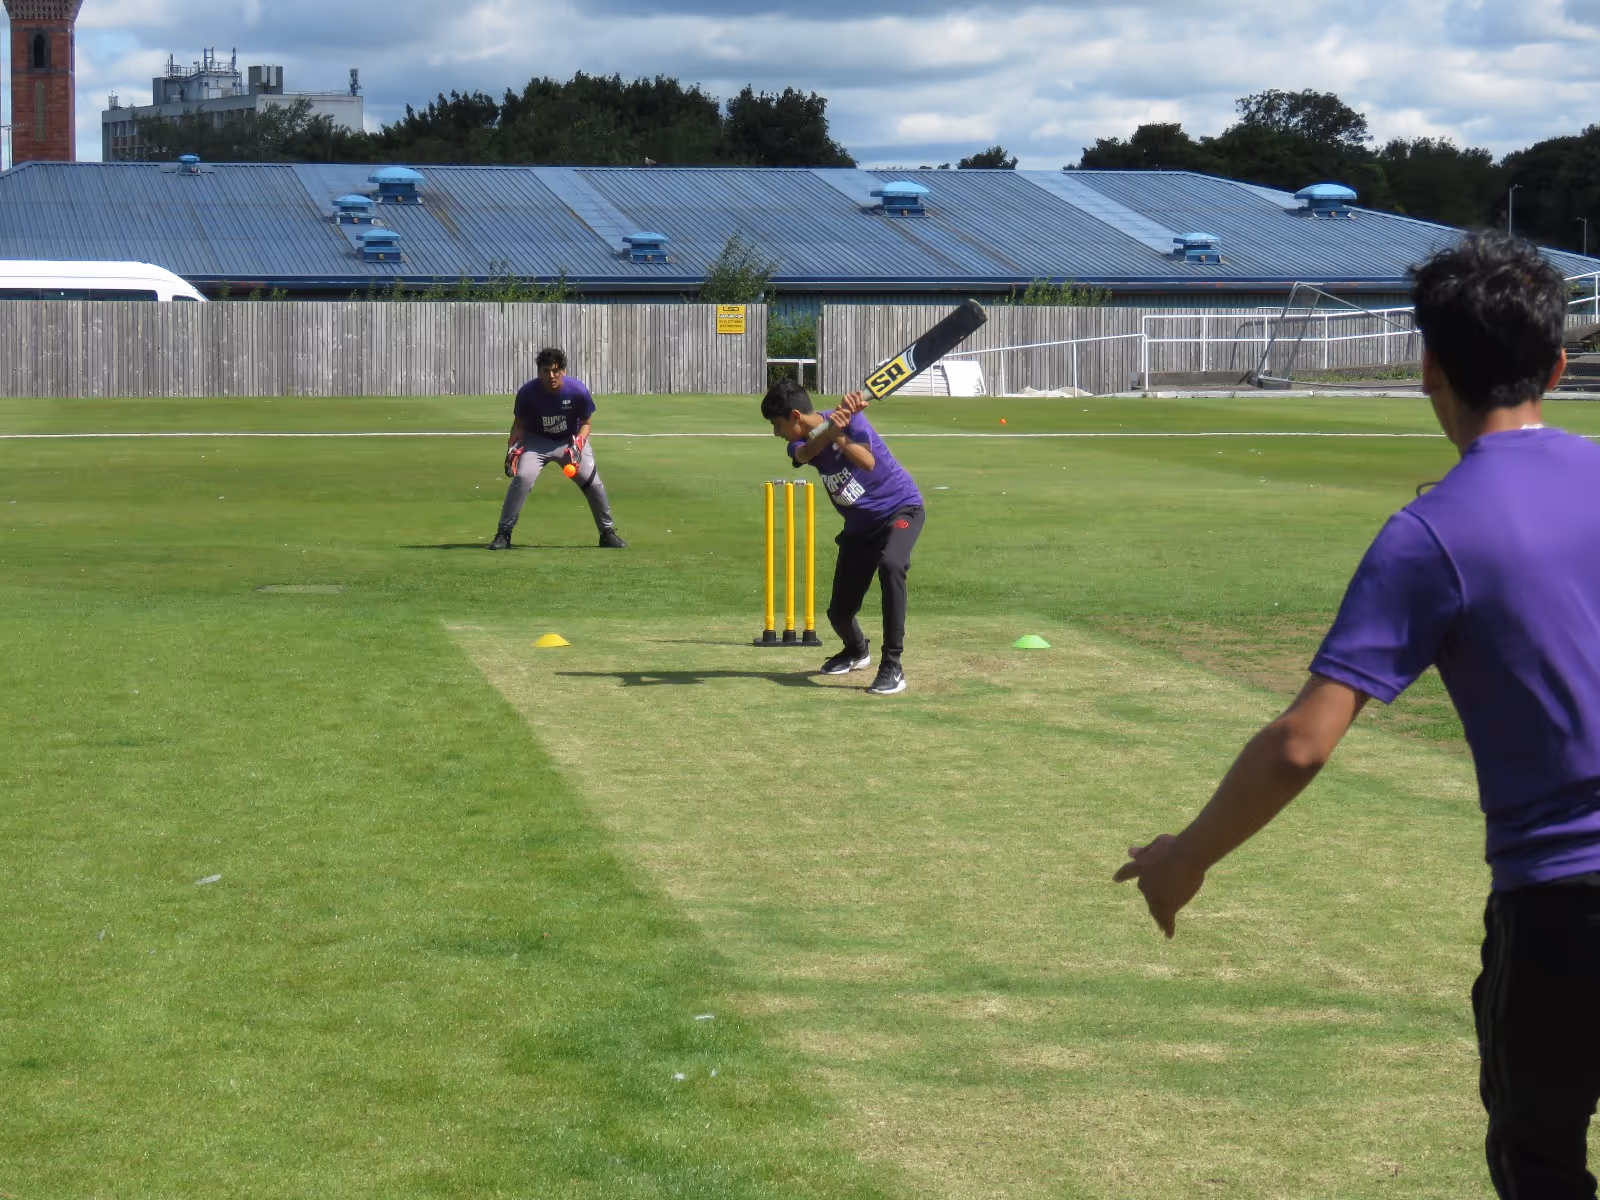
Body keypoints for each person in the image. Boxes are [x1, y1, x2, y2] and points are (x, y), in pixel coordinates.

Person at [1113, 231, 1600, 1198]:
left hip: (1565, 903)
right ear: (1555, 365)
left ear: (1428, 367)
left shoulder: (1430, 534)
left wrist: (1185, 858)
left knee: (1541, 1162)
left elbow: (1301, 745)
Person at [761, 378, 925, 696]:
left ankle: (893, 666)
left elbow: (868, 461)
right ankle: (856, 650)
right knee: (839, 613)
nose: (776, 432)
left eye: (777, 424)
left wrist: (841, 434)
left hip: (900, 510)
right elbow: (807, 452)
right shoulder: (798, 444)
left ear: (795, 416)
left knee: (892, 565)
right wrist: (831, 432)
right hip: (859, 528)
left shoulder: (853, 420)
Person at [489, 347, 626, 550]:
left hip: (569, 442)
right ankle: (503, 534)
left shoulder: (578, 392)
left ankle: (607, 533)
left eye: (556, 371)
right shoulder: (528, 393)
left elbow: (586, 423)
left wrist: (579, 443)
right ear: (539, 372)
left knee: (593, 483)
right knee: (523, 478)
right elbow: (519, 425)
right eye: (546, 371)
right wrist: (512, 449)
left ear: (564, 371)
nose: (551, 376)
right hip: (537, 441)